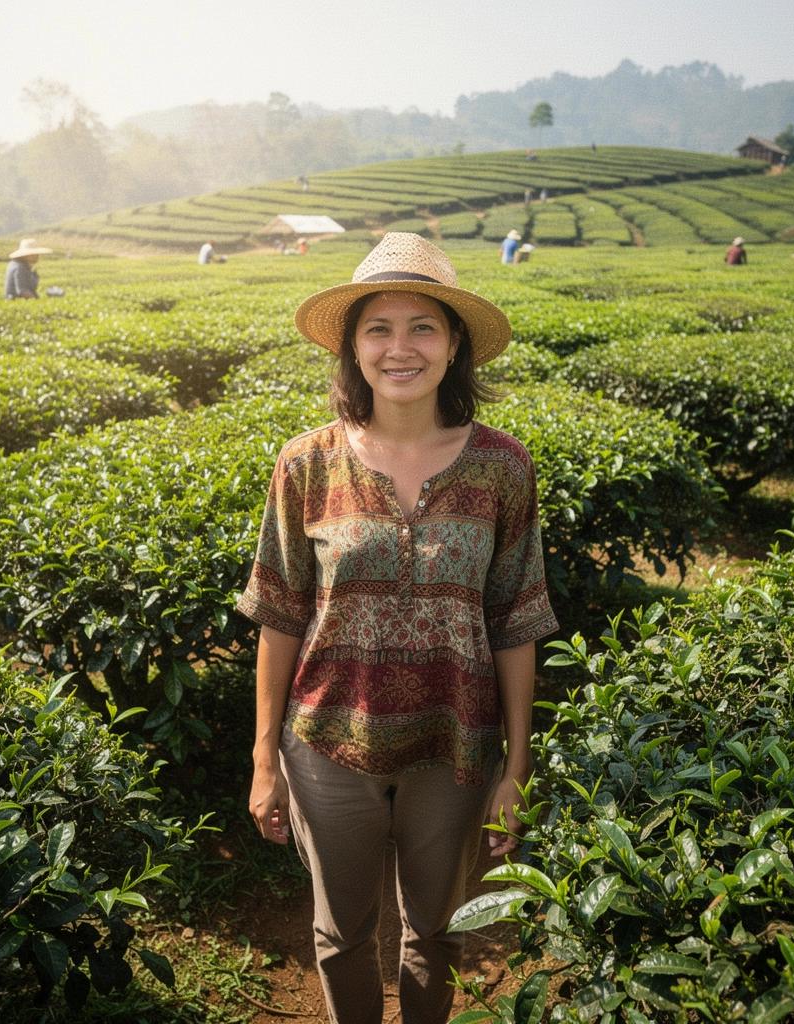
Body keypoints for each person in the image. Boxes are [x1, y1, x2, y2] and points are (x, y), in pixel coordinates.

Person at [238, 232, 558, 1024]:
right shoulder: (305, 463)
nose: (400, 348)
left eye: (423, 327)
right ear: (353, 349)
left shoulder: (503, 466)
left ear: (453, 348)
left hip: (455, 744)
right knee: (340, 932)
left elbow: (517, 620)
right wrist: (263, 756)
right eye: (378, 329)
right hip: (327, 740)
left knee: (435, 932)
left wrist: (517, 765)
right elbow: (278, 615)